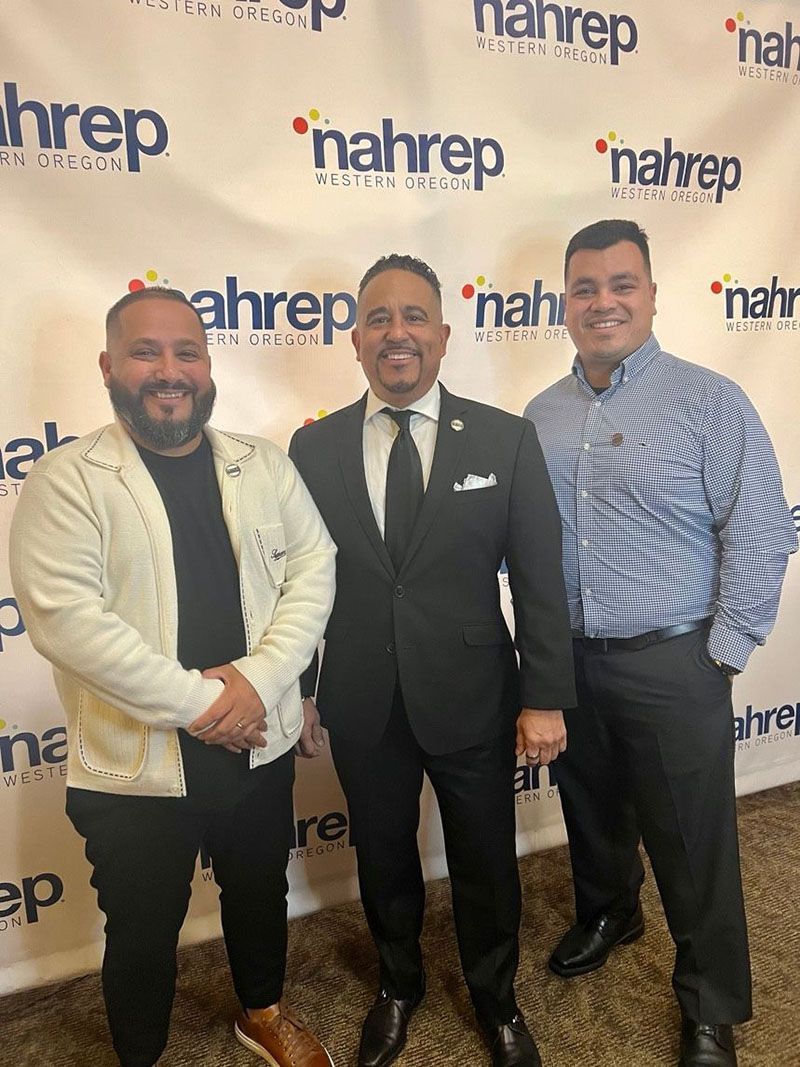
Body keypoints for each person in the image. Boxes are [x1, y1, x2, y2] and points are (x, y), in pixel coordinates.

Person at [9, 288, 337, 1067]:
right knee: (142, 931)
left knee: (260, 894)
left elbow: (315, 567)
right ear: (109, 366)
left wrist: (256, 683)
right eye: (146, 352)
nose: (169, 371)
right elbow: (69, 623)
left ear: (208, 362)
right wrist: (209, 704)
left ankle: (262, 1013)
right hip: (136, 766)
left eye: (186, 351)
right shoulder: (66, 480)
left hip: (255, 744)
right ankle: (141, 1056)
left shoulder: (261, 463)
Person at [289, 254, 575, 1067]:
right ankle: (399, 984)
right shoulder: (312, 449)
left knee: (486, 860)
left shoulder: (504, 438)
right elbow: (297, 587)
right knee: (382, 857)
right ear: (354, 339)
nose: (397, 333)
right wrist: (302, 692)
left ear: (444, 335)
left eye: (414, 316)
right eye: (378, 318)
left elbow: (540, 577)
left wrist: (545, 694)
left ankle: (497, 998)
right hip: (362, 697)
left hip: (474, 697)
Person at [524, 219, 798, 1067]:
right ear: (563, 302)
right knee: (592, 811)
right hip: (573, 655)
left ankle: (711, 1003)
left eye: (621, 284)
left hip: (675, 658)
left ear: (650, 295)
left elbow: (758, 530)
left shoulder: (708, 399)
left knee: (693, 839)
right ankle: (611, 909)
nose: (602, 301)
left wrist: (721, 652)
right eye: (584, 287)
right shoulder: (540, 414)